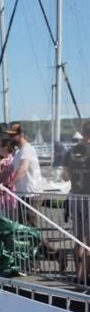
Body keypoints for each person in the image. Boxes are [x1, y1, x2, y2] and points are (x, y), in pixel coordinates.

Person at [63, 121, 90, 284]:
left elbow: (64, 176)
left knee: (78, 239)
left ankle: (78, 274)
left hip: (75, 197)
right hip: (89, 197)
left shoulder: (71, 151)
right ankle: (86, 275)